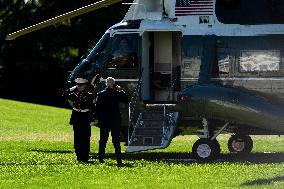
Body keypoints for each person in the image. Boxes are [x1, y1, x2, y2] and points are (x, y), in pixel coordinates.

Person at [95, 77, 130, 166]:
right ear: (114, 84)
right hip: (115, 120)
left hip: (104, 120)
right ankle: (118, 160)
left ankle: (101, 158)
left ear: (106, 84)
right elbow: (126, 100)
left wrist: (98, 119)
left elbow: (97, 108)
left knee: (103, 140)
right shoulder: (116, 93)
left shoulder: (101, 94)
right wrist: (121, 90)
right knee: (116, 141)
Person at [65, 77, 95, 162]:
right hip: (76, 117)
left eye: (81, 85)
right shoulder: (73, 94)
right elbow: (64, 94)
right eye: (78, 85)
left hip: (85, 117)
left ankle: (85, 157)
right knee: (77, 137)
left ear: (84, 85)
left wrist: (92, 119)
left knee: (85, 137)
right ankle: (79, 156)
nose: (79, 87)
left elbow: (93, 108)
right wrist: (71, 88)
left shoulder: (89, 95)